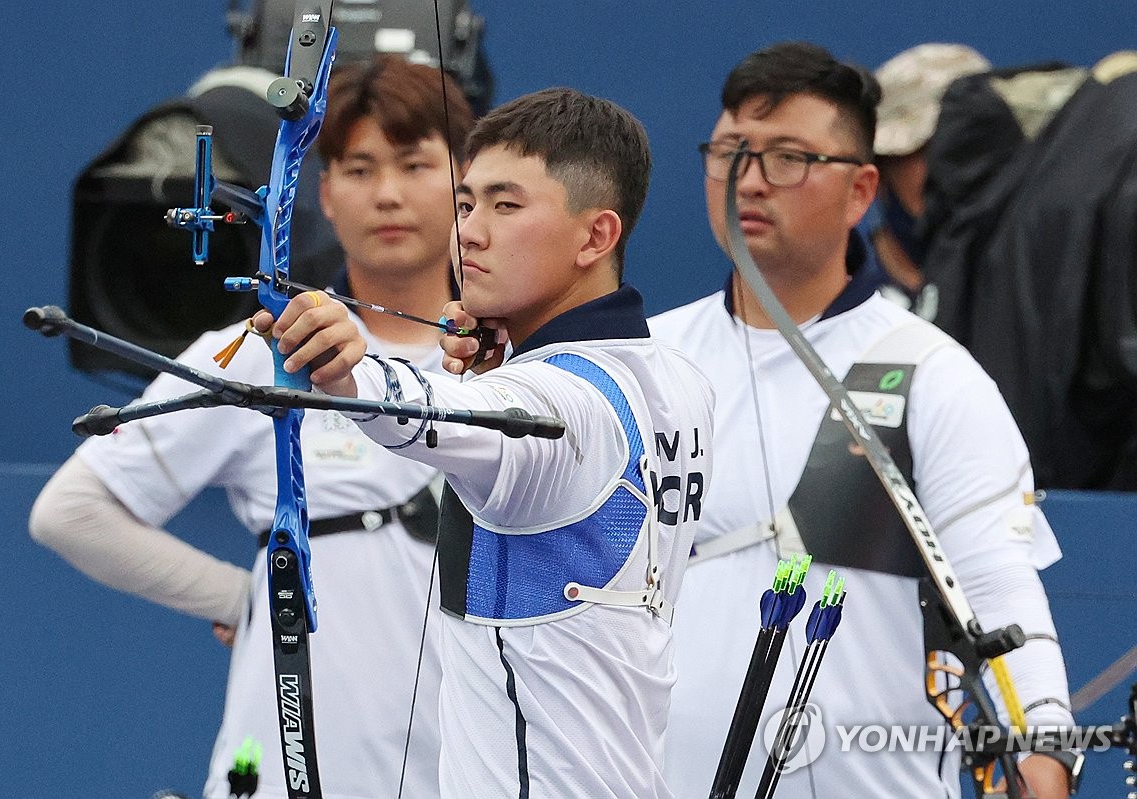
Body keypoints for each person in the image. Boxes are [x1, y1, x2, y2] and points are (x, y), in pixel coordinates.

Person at [30, 54, 474, 799]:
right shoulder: (260, 351)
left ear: (466, 184)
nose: (388, 194)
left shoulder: (515, 359)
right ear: (324, 194)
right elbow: (71, 511)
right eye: (359, 169)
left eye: (414, 163)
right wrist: (243, 597)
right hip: (282, 768)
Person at [257, 87, 715, 798]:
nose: (468, 230)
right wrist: (511, 360)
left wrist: (349, 369)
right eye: (466, 203)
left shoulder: (560, 403)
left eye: (506, 207)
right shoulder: (678, 378)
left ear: (596, 236)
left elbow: (444, 412)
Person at [650, 42, 1077, 798]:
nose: (748, 180)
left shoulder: (929, 371)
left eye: (788, 157)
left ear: (861, 189)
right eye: (729, 152)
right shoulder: (646, 360)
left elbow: (998, 590)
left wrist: (1043, 752)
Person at [863, 43, 991, 317]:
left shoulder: (1039, 283)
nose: (964, 170)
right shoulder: (840, 298)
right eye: (934, 148)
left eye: (976, 147)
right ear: (879, 170)